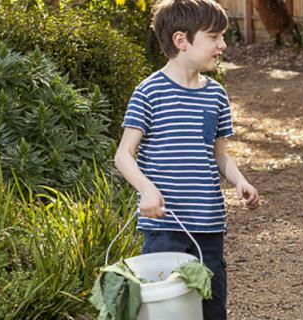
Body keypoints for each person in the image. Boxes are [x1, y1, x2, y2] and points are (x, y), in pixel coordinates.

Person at [113, 1, 259, 319]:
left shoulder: (216, 94)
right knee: (168, 311)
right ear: (182, 40)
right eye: (214, 36)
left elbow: (219, 155)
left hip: (208, 226)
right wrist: (147, 190)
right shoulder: (149, 92)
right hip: (164, 228)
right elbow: (123, 155)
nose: (222, 45)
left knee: (212, 308)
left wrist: (240, 180)